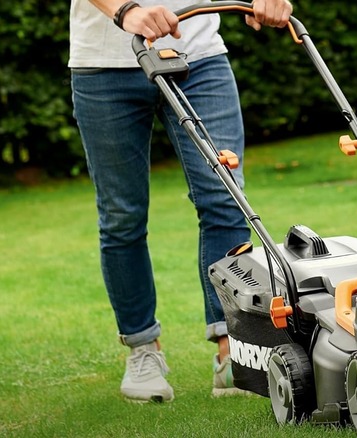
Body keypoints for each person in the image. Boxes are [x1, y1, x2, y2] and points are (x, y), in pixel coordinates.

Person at [68, 0, 292, 402]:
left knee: (225, 198)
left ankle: (234, 350)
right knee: (123, 217)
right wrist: (123, 11)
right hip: (104, 67)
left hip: (199, 58)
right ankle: (143, 350)